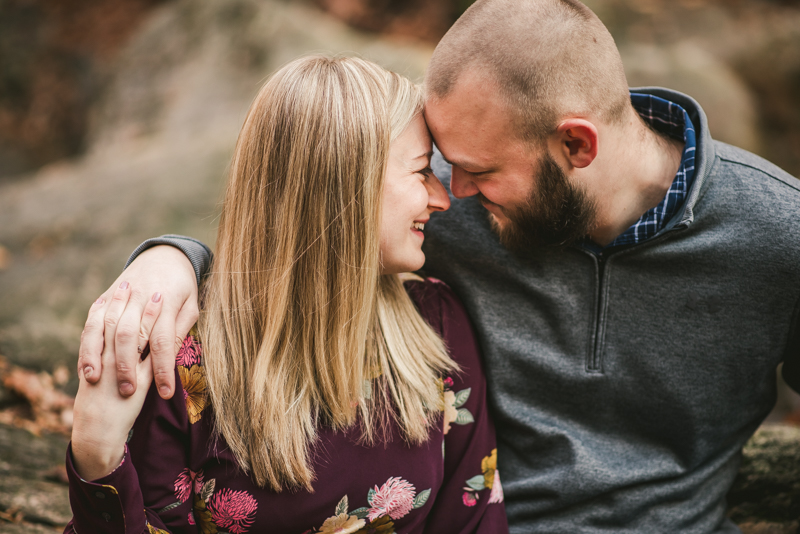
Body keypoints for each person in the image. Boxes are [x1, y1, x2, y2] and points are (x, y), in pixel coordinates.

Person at [78, 0, 800, 532]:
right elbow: (307, 234)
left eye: (475, 171)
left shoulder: (777, 236)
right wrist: (173, 260)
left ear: (577, 147)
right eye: (438, 169)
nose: (451, 196)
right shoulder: (450, 223)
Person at [66, 55, 509, 534]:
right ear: (345, 186)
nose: (443, 199)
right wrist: (97, 455)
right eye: (422, 171)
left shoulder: (436, 326)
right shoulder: (184, 358)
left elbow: (474, 521)